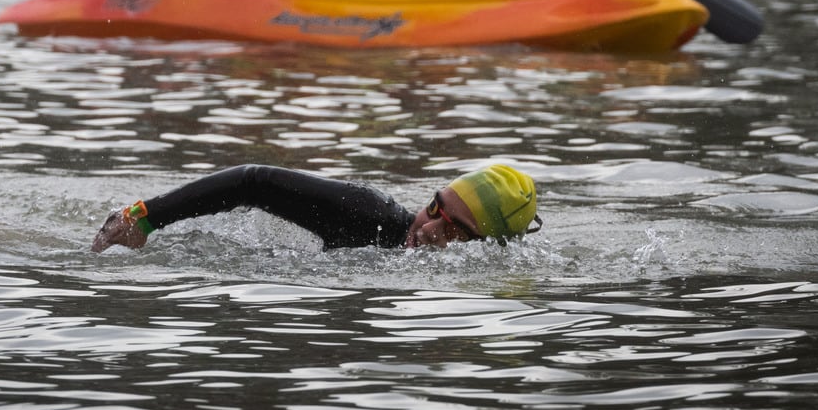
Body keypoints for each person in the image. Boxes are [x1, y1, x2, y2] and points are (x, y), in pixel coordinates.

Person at [90, 163, 541, 252]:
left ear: (489, 246)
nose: (427, 228)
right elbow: (255, 181)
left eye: (455, 230)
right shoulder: (369, 215)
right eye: (433, 207)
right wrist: (146, 217)